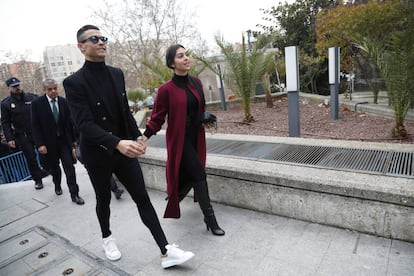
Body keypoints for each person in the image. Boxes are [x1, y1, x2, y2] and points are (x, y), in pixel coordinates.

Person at [63, 24, 194, 268]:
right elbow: (85, 125)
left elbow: (124, 112)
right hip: (98, 153)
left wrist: (139, 138)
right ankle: (106, 237)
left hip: (124, 149)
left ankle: (166, 251)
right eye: (94, 39)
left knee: (142, 198)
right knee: (104, 200)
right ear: (81, 47)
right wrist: (116, 143)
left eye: (103, 38)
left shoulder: (116, 73)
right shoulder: (73, 82)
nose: (102, 42)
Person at [143, 44, 225, 236]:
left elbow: (198, 110)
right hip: (180, 141)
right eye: (180, 56)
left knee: (192, 173)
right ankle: (210, 220)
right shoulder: (166, 90)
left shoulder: (196, 83)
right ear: (172, 63)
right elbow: (157, 118)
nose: (186, 58)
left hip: (196, 137)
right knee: (198, 173)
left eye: (186, 54)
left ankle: (176, 195)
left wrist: (204, 118)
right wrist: (144, 137)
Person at [31, 78, 85, 205]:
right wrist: (40, 144)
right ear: (44, 90)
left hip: (64, 143)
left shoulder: (64, 102)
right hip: (49, 144)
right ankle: (57, 185)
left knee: (69, 168)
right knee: (55, 169)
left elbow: (70, 122)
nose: (53, 91)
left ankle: (75, 194)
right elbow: (35, 126)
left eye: (55, 88)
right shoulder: (37, 104)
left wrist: (74, 140)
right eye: (50, 89)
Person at [1, 77, 44, 189]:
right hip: (22, 135)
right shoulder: (6, 104)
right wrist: (10, 138)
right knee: (31, 158)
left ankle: (46, 170)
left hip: (37, 132)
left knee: (45, 154)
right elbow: (5, 123)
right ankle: (37, 179)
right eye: (14, 86)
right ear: (9, 88)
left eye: (18, 85)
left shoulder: (32, 98)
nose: (17, 88)